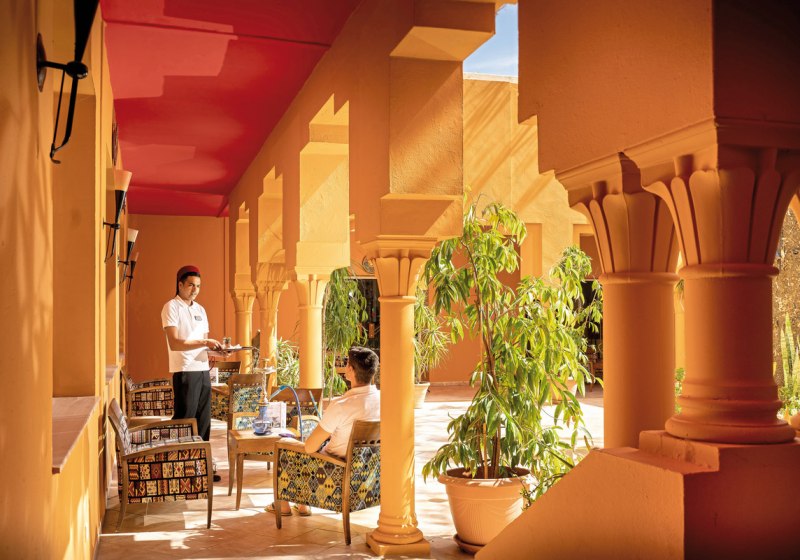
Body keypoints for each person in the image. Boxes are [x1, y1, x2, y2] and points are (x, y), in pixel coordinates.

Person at [268, 345, 380, 516]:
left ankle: (283, 506)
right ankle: (302, 505)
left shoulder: (341, 405)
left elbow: (310, 448)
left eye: (347, 363)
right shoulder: (383, 400)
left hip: (334, 473)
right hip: (368, 475)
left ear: (350, 369)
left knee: (286, 446)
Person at [161, 265, 224, 481]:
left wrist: (216, 351)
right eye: (190, 285)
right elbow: (175, 342)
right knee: (185, 421)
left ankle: (201, 469)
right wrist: (206, 342)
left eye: (198, 286)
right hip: (185, 370)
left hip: (202, 370)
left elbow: (203, 343)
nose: (195, 290)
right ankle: (179, 471)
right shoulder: (171, 307)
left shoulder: (201, 310)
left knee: (204, 421)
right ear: (180, 284)